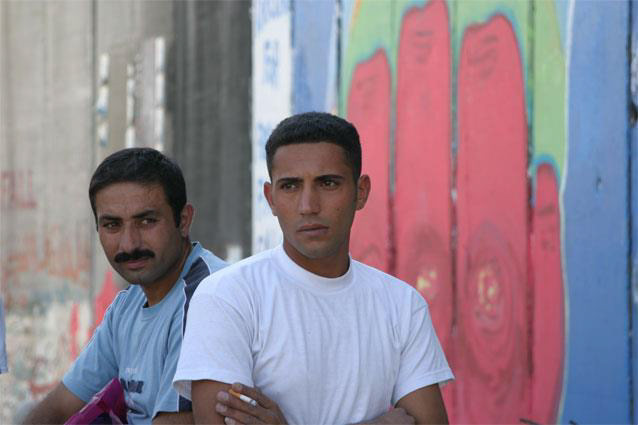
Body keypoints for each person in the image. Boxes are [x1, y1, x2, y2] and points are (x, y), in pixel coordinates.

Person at [173, 112, 454, 424]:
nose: (308, 205)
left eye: (328, 183)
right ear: (271, 198)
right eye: (290, 186)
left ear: (361, 192)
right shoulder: (227, 296)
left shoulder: (402, 305)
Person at [23, 148, 227, 424]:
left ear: (183, 220)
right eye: (112, 225)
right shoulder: (127, 305)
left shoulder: (207, 296)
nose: (129, 244)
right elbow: (60, 406)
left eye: (147, 221)